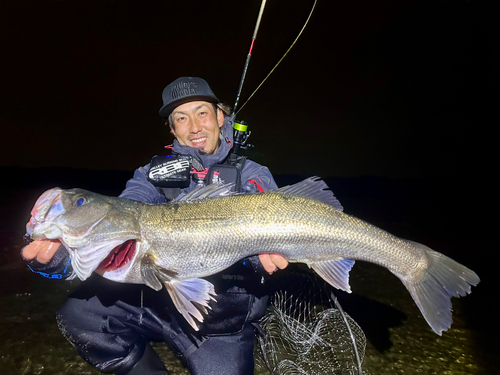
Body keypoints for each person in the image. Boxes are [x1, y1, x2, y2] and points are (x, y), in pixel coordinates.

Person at [21, 77, 288, 375]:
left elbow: (273, 230)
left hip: (223, 320)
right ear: (173, 129)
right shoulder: (154, 172)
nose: (195, 127)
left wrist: (259, 257)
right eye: (181, 118)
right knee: (80, 315)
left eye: (202, 113)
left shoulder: (253, 175)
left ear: (220, 117)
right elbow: (125, 212)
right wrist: (63, 259)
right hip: (159, 303)